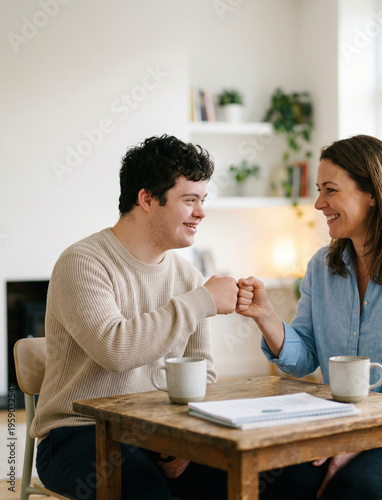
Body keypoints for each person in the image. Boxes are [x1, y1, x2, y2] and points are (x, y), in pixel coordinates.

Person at [236, 135, 382, 499]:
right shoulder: (322, 267)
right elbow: (303, 358)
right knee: (283, 479)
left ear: (373, 193)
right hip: (346, 425)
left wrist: (358, 443)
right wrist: (265, 315)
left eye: (330, 190)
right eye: (318, 190)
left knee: (354, 487)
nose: (319, 203)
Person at [32, 134, 237, 500]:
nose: (202, 212)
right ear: (146, 199)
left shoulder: (187, 277)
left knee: (238, 477)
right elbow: (116, 350)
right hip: (78, 432)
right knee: (145, 490)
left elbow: (201, 371)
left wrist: (184, 435)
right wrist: (202, 301)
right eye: (189, 200)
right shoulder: (83, 262)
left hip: (157, 431)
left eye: (202, 200)